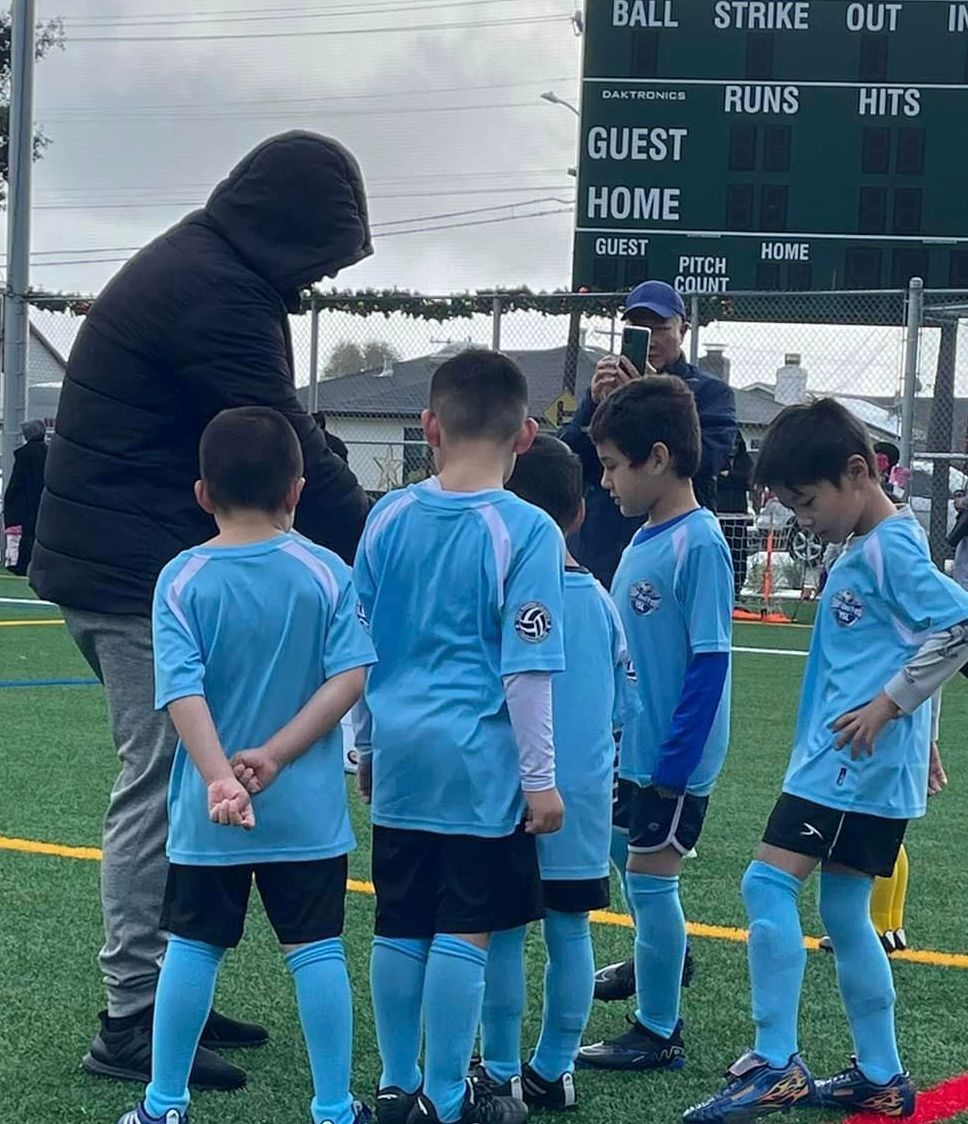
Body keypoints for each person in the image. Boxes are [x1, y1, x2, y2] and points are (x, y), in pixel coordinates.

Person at [30, 131, 373, 1089]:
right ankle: (133, 1020)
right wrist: (381, 535)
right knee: (159, 780)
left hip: (114, 557)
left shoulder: (209, 265)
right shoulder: (218, 294)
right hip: (130, 571)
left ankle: (173, 979)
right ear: (289, 230)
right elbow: (282, 442)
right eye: (321, 255)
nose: (317, 280)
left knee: (180, 775)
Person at [684, 399, 968, 1123]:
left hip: (848, 761)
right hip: (863, 761)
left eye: (806, 502)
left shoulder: (889, 548)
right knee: (844, 910)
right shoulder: (869, 543)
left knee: (763, 885)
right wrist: (920, 725)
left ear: (857, 472)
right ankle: (881, 1073)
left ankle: (775, 1063)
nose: (801, 519)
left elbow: (960, 622)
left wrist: (892, 708)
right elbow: (914, 639)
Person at [116, 407, 376, 1124]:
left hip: (212, 814)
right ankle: (332, 1109)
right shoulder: (326, 571)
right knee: (317, 952)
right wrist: (278, 755)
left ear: (203, 494)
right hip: (306, 811)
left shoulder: (182, 577)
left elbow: (181, 689)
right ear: (297, 489)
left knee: (192, 950)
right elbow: (350, 678)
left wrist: (218, 778)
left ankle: (164, 1105)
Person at [354, 350, 566, 1124]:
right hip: (480, 764)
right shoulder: (528, 529)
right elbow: (529, 668)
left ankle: (394, 1086)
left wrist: (367, 746)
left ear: (429, 426)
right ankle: (447, 1098)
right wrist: (541, 779)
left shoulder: (387, 515)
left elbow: (359, 646)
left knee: (400, 919)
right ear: (528, 435)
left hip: (403, 754)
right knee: (464, 927)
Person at [575, 377, 734, 1073]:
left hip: (673, 756)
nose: (606, 480)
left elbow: (708, 665)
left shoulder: (698, 545)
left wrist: (675, 766)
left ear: (660, 458)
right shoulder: (646, 537)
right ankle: (663, 953)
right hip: (633, 748)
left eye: (613, 465)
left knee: (649, 878)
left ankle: (658, 1032)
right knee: (618, 850)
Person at [475, 435, 637, 1110]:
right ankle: (554, 1067)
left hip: (510, 788)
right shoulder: (599, 602)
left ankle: (502, 1068)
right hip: (583, 794)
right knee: (570, 929)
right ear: (577, 515)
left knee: (505, 931)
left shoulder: (500, 599)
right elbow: (624, 706)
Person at [560, 280, 737, 587]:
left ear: (682, 331)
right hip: (601, 543)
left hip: (672, 546)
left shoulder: (711, 393)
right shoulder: (605, 390)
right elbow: (571, 463)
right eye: (638, 328)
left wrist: (649, 397)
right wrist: (593, 405)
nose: (651, 339)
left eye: (659, 328)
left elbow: (704, 460)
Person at [2, 418, 47, 575]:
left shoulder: (23, 455)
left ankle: (21, 565)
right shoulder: (49, 454)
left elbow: (16, 484)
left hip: (25, 503)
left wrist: (9, 504)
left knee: (25, 536)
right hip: (44, 501)